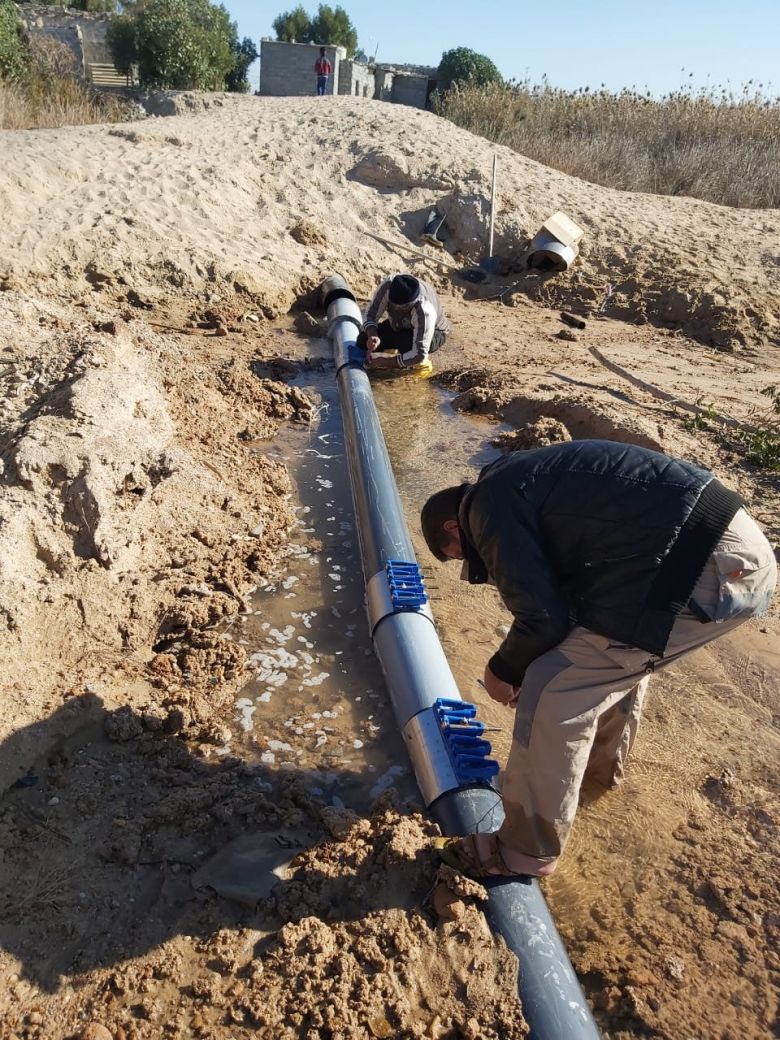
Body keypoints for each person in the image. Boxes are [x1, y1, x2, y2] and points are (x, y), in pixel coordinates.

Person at [420, 440, 776, 879]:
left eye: (460, 555)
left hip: (702, 565)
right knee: (610, 660)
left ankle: (524, 850)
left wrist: (502, 671)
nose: (474, 564)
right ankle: (594, 777)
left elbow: (542, 616)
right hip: (738, 551)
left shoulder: (486, 507)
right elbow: (570, 608)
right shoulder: (516, 479)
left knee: (551, 688)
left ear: (454, 527)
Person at [357, 273, 449, 373]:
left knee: (405, 343)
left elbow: (419, 354)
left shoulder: (425, 310)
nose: (397, 310)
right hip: (399, 324)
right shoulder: (388, 286)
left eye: (402, 308)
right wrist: (372, 335)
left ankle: (423, 365)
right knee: (362, 340)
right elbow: (371, 315)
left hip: (436, 332)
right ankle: (397, 352)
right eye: (394, 306)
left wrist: (385, 362)